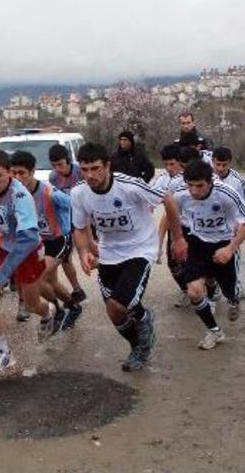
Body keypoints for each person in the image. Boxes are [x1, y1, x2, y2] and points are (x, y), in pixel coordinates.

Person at [71, 142, 186, 371]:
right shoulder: (79, 193)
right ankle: (138, 341)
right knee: (115, 314)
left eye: (95, 168)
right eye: (85, 170)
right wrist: (84, 251)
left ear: (108, 166)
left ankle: (142, 332)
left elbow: (169, 200)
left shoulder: (129, 186)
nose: (90, 175)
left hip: (139, 250)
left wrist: (179, 238)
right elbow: (79, 228)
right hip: (109, 254)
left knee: (118, 306)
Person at [0, 149, 60, 376]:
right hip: (0, 248)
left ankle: (48, 312)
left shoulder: (20, 196)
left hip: (26, 251)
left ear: (9, 173)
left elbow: (29, 238)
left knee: (32, 305)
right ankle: (4, 352)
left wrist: (3, 275)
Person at [172, 159, 245, 349]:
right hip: (197, 244)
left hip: (223, 245)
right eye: (190, 185)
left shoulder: (226, 194)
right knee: (193, 291)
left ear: (210, 182)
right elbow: (170, 212)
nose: (194, 191)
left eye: (199, 185)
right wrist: (178, 239)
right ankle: (215, 331)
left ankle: (233, 300)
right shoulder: (181, 195)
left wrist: (230, 248)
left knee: (229, 290)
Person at [10, 150, 83, 330]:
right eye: (14, 173)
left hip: (58, 239)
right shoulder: (12, 193)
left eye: (22, 173)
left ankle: (57, 311)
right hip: (37, 243)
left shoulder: (48, 191)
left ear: (32, 172)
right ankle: (73, 306)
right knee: (50, 282)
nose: (17, 178)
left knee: (38, 279)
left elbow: (74, 204)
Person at [47, 144, 86, 303]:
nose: (57, 168)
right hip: (67, 220)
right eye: (54, 165)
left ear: (68, 160)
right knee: (65, 258)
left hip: (86, 216)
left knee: (93, 251)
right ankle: (77, 289)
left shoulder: (79, 171)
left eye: (60, 164)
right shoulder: (53, 177)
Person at [212, 147, 245, 299]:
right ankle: (213, 288)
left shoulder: (237, 181)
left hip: (231, 228)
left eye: (224, 165)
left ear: (229, 163)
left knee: (233, 258)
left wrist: (239, 226)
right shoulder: (206, 177)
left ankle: (236, 287)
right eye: (217, 164)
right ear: (212, 162)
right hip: (211, 227)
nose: (220, 168)